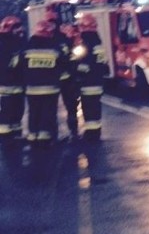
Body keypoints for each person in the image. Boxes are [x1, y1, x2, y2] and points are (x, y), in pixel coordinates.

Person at [21, 20, 67, 146]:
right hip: (50, 88)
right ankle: (44, 136)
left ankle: (33, 135)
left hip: (32, 88)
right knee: (48, 112)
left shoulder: (28, 46)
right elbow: (63, 63)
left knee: (34, 111)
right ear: (48, 32)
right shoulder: (54, 46)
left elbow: (21, 65)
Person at [45, 10, 79, 140]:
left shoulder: (64, 39)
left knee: (71, 106)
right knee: (50, 108)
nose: (52, 25)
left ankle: (74, 132)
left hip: (66, 79)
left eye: (53, 22)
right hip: (51, 80)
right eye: (49, 22)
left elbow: (73, 55)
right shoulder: (44, 39)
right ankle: (53, 134)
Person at [75, 14, 108, 142]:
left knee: (88, 108)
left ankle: (91, 133)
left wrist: (78, 76)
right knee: (95, 107)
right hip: (98, 81)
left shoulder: (86, 42)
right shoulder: (98, 41)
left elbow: (84, 63)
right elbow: (102, 62)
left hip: (87, 82)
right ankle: (95, 131)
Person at [0, 16, 26, 142]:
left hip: (17, 84)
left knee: (18, 110)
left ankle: (16, 132)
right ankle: (5, 135)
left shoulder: (18, 42)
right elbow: (7, 65)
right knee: (6, 111)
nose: (20, 29)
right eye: (16, 27)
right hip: (6, 85)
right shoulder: (3, 43)